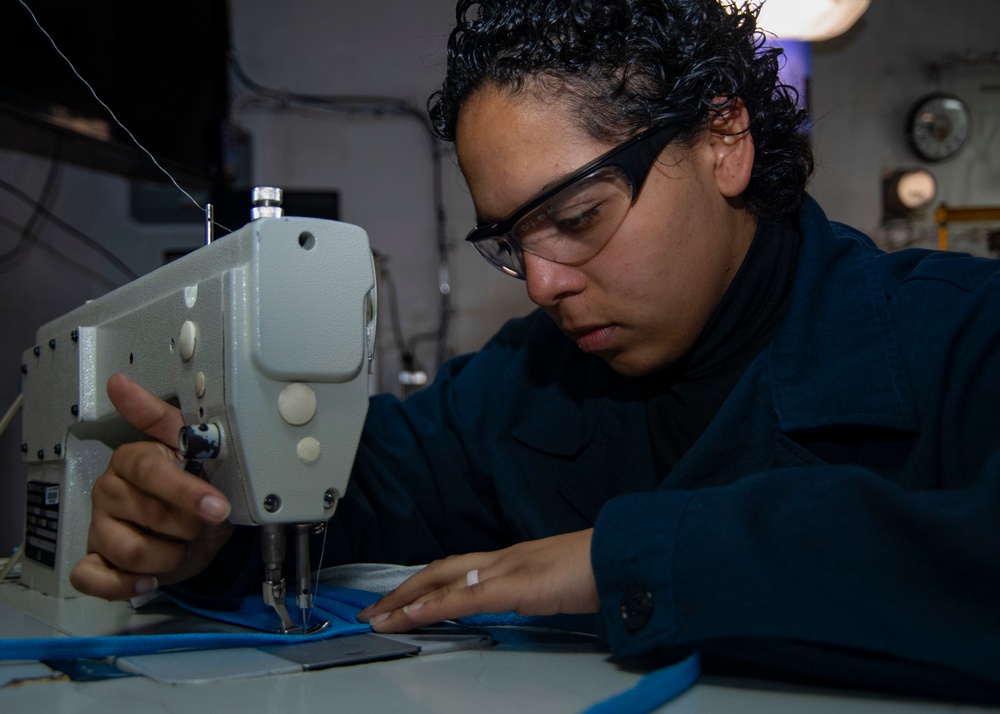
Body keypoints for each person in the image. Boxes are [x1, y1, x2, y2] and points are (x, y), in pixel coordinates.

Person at [70, 0, 1000, 703]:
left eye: (578, 217)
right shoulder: (524, 387)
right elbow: (354, 485)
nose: (542, 284)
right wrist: (212, 524)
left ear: (725, 140)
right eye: (511, 241)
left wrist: (623, 560)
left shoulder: (962, 339)